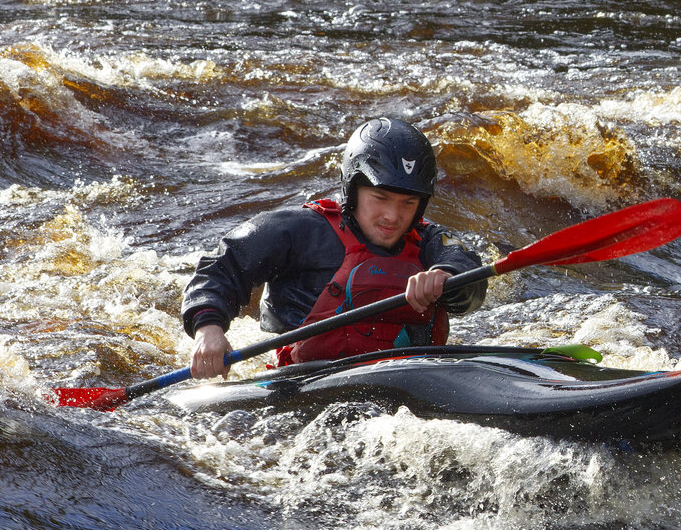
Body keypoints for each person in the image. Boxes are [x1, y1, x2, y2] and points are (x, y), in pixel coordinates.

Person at [181, 117, 487, 379]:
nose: (393, 216)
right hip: (305, 379)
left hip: (412, 379)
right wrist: (208, 329)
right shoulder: (301, 230)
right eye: (380, 198)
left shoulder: (431, 243)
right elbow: (223, 265)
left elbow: (468, 271)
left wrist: (446, 276)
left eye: (408, 203)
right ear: (353, 189)